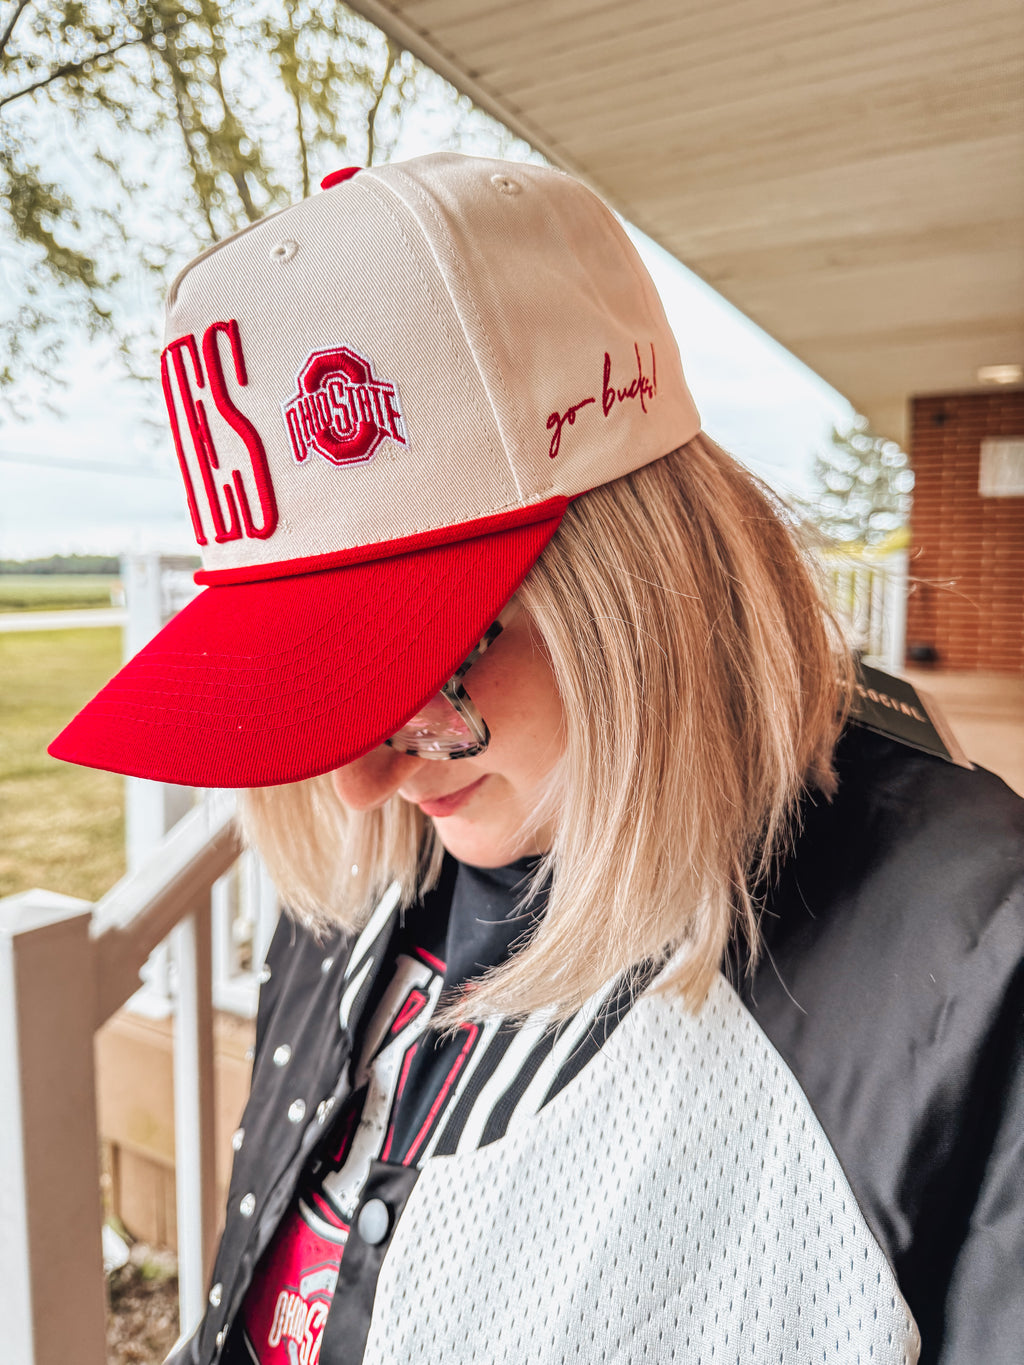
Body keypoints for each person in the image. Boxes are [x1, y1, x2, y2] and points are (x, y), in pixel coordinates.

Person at [51, 154, 1024, 1365]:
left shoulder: (966, 967)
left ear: (640, 583)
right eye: (316, 694)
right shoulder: (376, 853)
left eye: (428, 666)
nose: (363, 780)